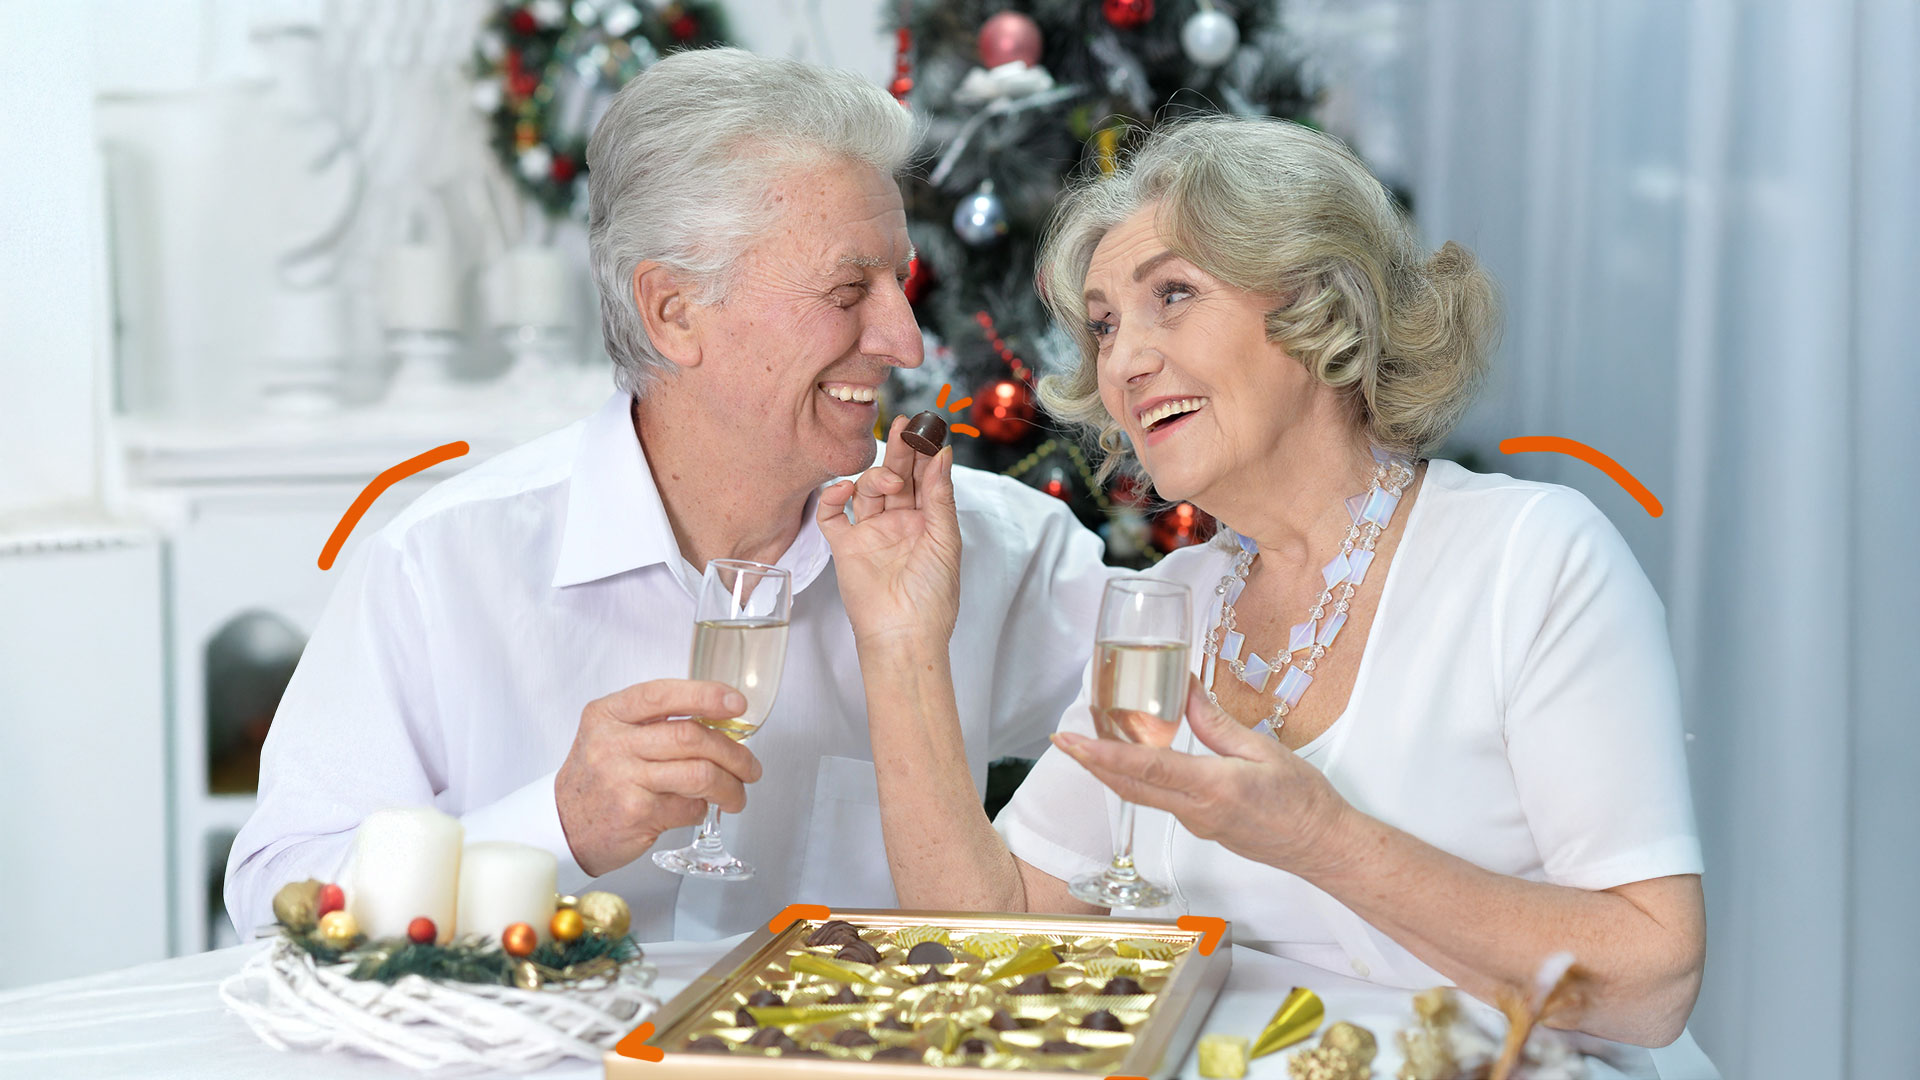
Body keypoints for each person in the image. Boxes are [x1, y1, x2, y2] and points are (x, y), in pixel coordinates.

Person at [820, 115, 1706, 1048]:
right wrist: (901, 634)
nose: (1122, 361)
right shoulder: (1175, 601)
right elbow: (992, 941)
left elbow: (1652, 984)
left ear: (1318, 305)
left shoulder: (1530, 557)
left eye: (1174, 295)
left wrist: (1322, 839)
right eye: (1107, 324)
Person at [223, 48, 1111, 942]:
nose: (906, 341)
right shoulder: (442, 564)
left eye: (901, 284)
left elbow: (1212, 724)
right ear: (673, 311)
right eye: (849, 289)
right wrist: (556, 827)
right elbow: (275, 905)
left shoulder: (995, 549)